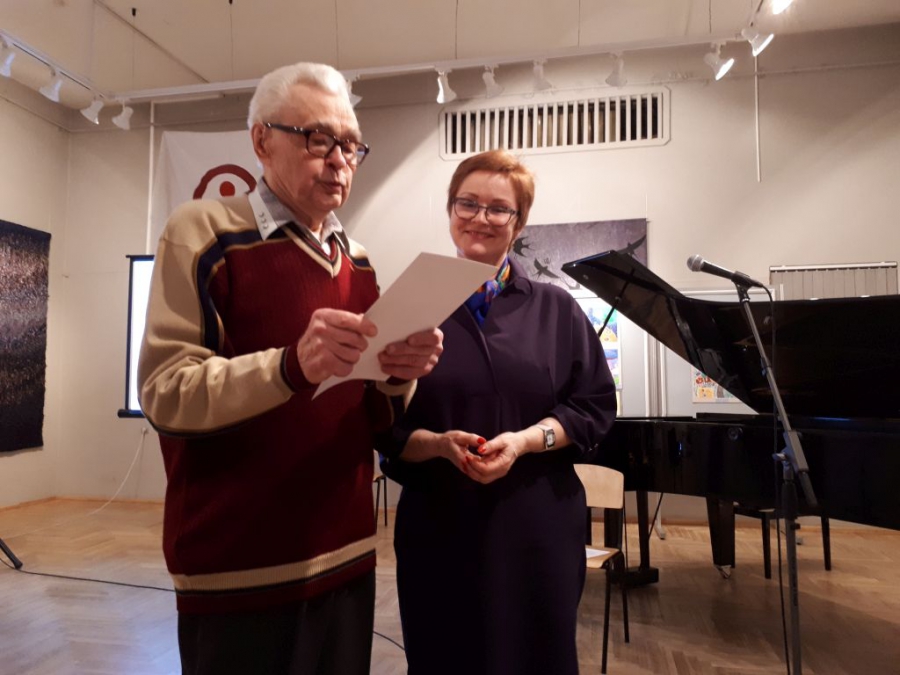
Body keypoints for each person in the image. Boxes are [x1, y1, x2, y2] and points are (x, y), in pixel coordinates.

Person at [137, 62, 443, 675]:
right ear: (262, 141)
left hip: (347, 554)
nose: (340, 161)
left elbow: (373, 417)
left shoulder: (358, 261)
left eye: (351, 146)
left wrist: (398, 375)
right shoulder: (203, 233)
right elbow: (165, 392)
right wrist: (289, 366)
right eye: (319, 138)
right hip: (238, 566)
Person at [377, 149, 617, 675]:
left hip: (537, 527)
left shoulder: (557, 309)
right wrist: (439, 445)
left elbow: (593, 406)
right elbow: (384, 427)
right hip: (439, 527)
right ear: (450, 210)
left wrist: (526, 441)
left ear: (519, 222)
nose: (480, 218)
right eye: (467, 203)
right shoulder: (408, 305)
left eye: (498, 208)